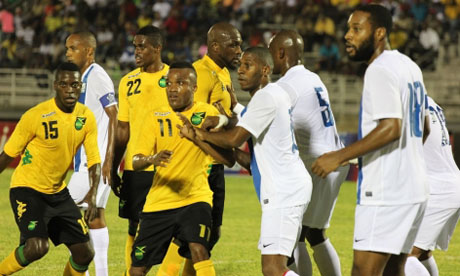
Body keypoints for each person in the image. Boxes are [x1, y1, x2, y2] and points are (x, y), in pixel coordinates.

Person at [311, 4, 431, 276]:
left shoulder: (379, 69)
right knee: (393, 270)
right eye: (348, 28)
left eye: (356, 29)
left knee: (364, 272)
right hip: (414, 188)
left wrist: (337, 156)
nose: (347, 36)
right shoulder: (409, 66)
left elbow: (391, 128)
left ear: (379, 33)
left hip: (386, 192)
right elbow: (424, 129)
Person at [190, 47, 312, 276]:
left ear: (265, 70)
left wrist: (203, 135)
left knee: (273, 269)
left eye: (248, 65)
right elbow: (248, 158)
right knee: (285, 263)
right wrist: (223, 125)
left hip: (284, 193)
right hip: (289, 189)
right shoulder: (271, 95)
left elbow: (234, 138)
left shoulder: (266, 97)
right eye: (241, 65)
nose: (241, 71)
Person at [129, 61, 234, 276]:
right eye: (168, 83)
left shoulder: (206, 114)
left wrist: (216, 122)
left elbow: (229, 156)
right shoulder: (155, 116)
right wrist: (152, 158)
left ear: (195, 88)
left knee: (199, 250)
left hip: (196, 198)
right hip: (159, 202)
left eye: (180, 83)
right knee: (137, 269)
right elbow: (136, 161)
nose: (172, 88)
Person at [158, 21, 243, 276]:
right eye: (233, 44)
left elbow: (224, 117)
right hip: (201, 166)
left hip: (215, 162)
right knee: (192, 235)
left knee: (208, 235)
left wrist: (231, 117)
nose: (239, 49)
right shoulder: (200, 74)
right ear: (215, 46)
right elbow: (188, 118)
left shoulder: (223, 71)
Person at [0, 62, 101, 276]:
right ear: (56, 86)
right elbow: (7, 156)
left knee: (85, 253)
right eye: (64, 84)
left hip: (57, 192)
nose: (70, 89)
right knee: (37, 247)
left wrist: (93, 193)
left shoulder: (85, 117)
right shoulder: (36, 115)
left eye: (75, 85)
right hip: (27, 189)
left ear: (80, 87)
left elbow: (94, 160)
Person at [269, 30, 349, 276]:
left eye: (271, 53)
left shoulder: (286, 86)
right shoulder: (312, 77)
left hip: (317, 164)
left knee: (294, 239)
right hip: (335, 160)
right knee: (316, 234)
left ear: (281, 53)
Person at [110, 25, 170, 273]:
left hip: (169, 164)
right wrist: (114, 167)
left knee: (173, 226)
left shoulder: (175, 79)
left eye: (142, 46)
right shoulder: (127, 82)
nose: (136, 51)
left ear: (158, 48)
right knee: (134, 226)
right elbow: (122, 129)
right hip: (136, 166)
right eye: (135, 46)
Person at [65, 31, 118, 276]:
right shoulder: (82, 78)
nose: (67, 52)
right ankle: (98, 273)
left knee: (61, 211)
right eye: (67, 48)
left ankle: (83, 270)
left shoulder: (97, 76)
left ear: (88, 51)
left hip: (95, 163)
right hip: (85, 161)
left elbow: (114, 115)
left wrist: (109, 160)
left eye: (73, 48)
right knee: (93, 216)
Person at [404, 96, 460, 276]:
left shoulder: (409, 100)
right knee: (423, 252)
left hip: (439, 189)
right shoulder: (428, 100)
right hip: (447, 183)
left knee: (404, 255)